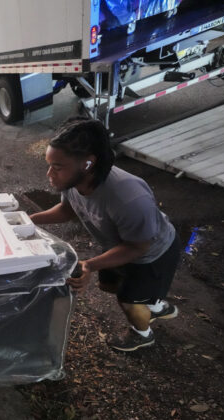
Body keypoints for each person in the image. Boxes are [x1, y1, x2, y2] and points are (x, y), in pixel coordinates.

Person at [29, 117, 181, 352]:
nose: (50, 174)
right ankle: (155, 303)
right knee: (110, 286)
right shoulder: (74, 181)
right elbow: (67, 210)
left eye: (57, 167)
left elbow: (137, 247)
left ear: (88, 164)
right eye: (49, 165)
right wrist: (27, 221)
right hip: (118, 246)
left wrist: (89, 265)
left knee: (128, 300)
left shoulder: (129, 198)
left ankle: (143, 334)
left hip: (151, 254)